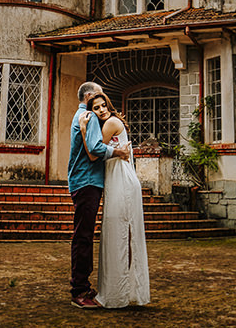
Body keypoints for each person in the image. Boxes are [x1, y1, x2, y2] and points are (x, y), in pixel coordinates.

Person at [79, 89, 150, 309]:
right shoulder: (111, 122)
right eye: (95, 108)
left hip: (122, 183)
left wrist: (83, 130)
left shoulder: (110, 123)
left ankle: (117, 294)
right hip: (119, 181)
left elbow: (92, 153)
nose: (101, 111)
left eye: (103, 106)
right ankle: (126, 291)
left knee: (118, 235)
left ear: (109, 106)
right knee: (120, 235)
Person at [68, 81, 129, 309]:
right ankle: (79, 291)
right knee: (83, 236)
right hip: (87, 182)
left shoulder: (83, 116)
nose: (102, 102)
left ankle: (82, 285)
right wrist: (118, 151)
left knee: (83, 234)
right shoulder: (89, 118)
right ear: (91, 96)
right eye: (100, 94)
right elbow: (93, 148)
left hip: (84, 181)